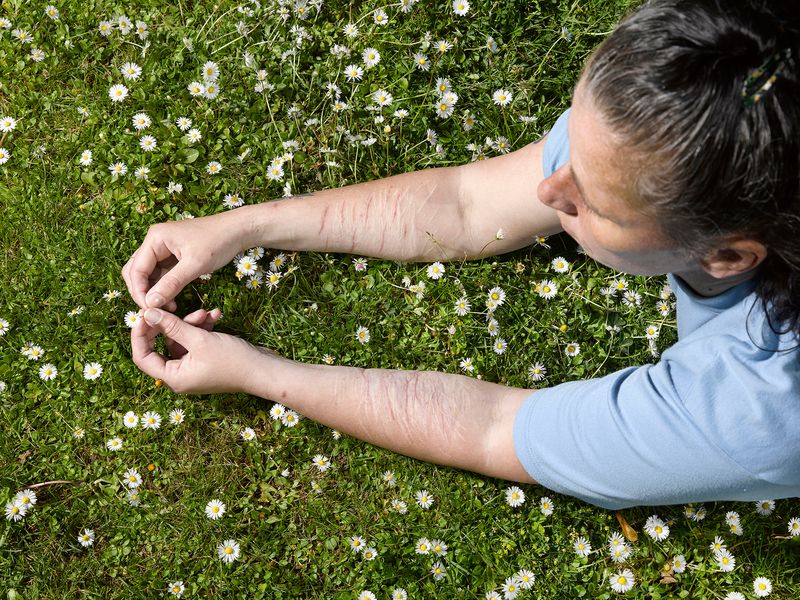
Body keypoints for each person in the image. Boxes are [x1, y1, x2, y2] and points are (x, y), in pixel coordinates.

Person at [123, 0, 800, 509]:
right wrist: (244, 226)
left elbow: (492, 427)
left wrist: (259, 372)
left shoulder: (753, 411)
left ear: (728, 256)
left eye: (594, 203)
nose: (548, 190)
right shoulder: (714, 88)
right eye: (575, 143)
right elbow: (466, 205)